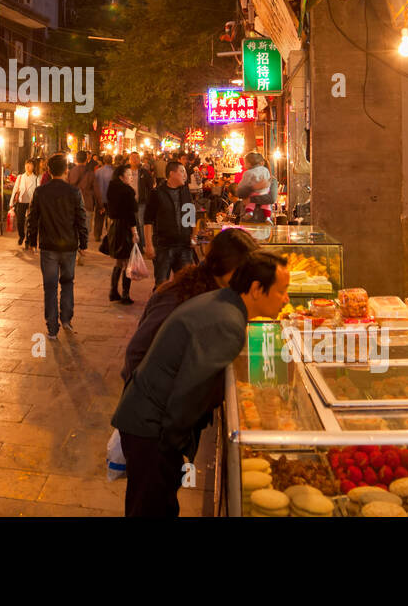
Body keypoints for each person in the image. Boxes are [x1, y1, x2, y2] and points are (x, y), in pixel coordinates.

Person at [112, 250, 290, 516]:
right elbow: (190, 393)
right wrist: (174, 448)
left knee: (151, 506)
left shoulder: (223, 303)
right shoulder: (228, 323)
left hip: (147, 420)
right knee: (152, 508)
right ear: (256, 289)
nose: (286, 299)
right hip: (152, 431)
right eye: (282, 291)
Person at [121, 228, 260, 384]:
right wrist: (141, 393)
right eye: (243, 272)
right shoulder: (177, 299)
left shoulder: (213, 290)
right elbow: (136, 352)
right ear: (225, 268)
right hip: (152, 393)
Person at [25, 153, 89, 338]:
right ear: (66, 171)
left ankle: (52, 327)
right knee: (67, 283)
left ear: (48, 171)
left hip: (48, 245)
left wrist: (31, 240)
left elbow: (33, 218)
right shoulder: (74, 192)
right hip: (69, 245)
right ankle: (66, 319)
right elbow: (81, 218)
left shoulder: (40, 192)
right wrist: (83, 243)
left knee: (50, 286)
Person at [144, 160, 196, 287]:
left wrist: (193, 236)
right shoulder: (157, 193)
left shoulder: (185, 191)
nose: (185, 175)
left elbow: (190, 215)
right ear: (172, 174)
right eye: (182, 171)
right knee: (162, 284)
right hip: (164, 246)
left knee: (186, 283)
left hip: (184, 245)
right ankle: (158, 306)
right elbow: (148, 221)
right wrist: (149, 245)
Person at [100, 163, 141, 305]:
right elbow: (130, 214)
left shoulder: (112, 189)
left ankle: (113, 291)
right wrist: (135, 232)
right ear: (121, 177)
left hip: (114, 227)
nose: (131, 177)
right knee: (127, 262)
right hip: (125, 229)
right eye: (128, 175)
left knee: (118, 261)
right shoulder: (127, 192)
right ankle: (125, 294)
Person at [67, 150, 99, 244]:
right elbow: (96, 190)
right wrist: (100, 205)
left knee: (74, 225)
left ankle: (76, 246)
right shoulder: (90, 173)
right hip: (87, 203)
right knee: (86, 227)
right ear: (86, 160)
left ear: (76, 160)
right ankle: (82, 245)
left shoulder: (71, 172)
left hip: (73, 203)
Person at [10, 159, 39, 248]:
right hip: (21, 201)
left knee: (30, 222)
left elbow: (38, 191)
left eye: (30, 164)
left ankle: (27, 240)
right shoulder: (20, 177)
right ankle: (21, 235)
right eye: (27, 164)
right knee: (20, 221)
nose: (28, 166)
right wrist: (11, 202)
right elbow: (15, 189)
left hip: (31, 202)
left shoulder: (36, 178)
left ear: (33, 167)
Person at [127, 152, 155, 232]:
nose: (134, 160)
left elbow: (150, 187)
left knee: (141, 222)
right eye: (132, 158)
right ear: (129, 160)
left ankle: (143, 242)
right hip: (128, 203)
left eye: (136, 158)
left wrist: (149, 200)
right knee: (130, 223)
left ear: (140, 160)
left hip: (141, 202)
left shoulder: (144, 173)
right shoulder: (125, 172)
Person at [94, 153, 115, 243]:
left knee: (99, 218)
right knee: (110, 218)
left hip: (100, 198)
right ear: (111, 161)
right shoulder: (114, 172)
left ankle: (97, 235)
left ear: (104, 161)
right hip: (110, 199)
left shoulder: (98, 171)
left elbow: (94, 185)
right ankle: (110, 235)